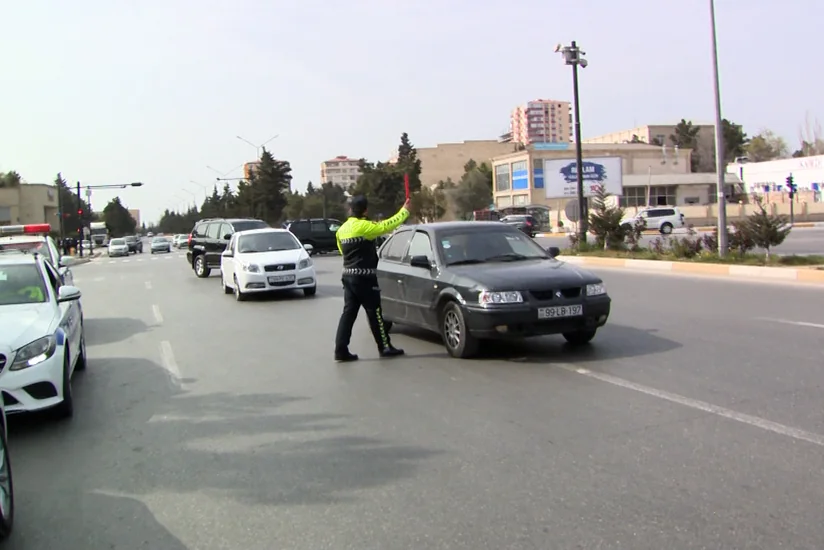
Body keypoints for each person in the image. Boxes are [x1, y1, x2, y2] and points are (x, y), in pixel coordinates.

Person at [334, 195, 410, 362]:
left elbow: (341, 251)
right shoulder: (364, 226)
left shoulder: (342, 230)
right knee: (375, 313)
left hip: (348, 277)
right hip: (365, 278)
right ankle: (385, 347)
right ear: (365, 210)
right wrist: (404, 211)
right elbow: (387, 225)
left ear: (350, 210)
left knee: (348, 314)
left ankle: (340, 349)